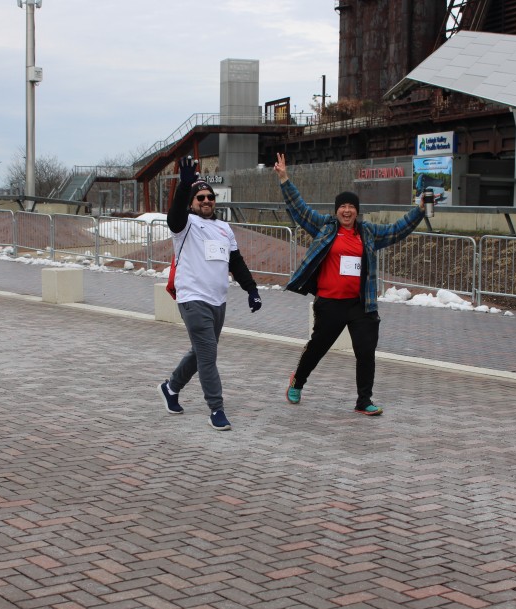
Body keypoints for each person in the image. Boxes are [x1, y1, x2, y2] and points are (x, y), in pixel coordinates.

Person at [274, 153, 426, 416]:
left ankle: (363, 400)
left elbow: (397, 230)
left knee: (366, 352)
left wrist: (420, 210)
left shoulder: (368, 233)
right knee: (318, 348)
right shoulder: (325, 227)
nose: (347, 211)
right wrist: (285, 179)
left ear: (357, 211)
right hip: (330, 303)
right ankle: (297, 381)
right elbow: (299, 210)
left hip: (360, 304)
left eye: (351, 207)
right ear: (336, 210)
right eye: (342, 206)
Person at [158, 156, 262, 431]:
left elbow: (236, 262)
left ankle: (171, 387)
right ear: (192, 202)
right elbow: (174, 217)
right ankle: (216, 409)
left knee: (201, 351)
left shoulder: (224, 228)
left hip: (218, 301)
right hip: (192, 299)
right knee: (207, 356)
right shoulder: (186, 225)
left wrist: (251, 289)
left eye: (210, 197)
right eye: (200, 197)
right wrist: (184, 186)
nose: (206, 201)